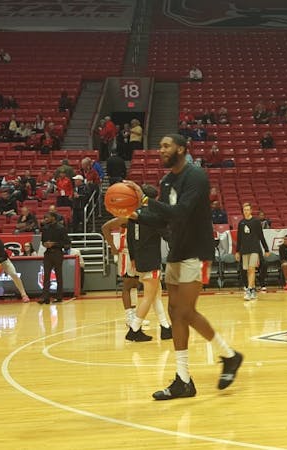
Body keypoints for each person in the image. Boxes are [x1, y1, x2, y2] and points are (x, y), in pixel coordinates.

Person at [125, 133, 242, 400]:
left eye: (166, 146)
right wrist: (134, 214)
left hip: (197, 251)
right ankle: (184, 379)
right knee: (176, 313)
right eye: (160, 146)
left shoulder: (196, 177)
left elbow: (181, 212)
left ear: (181, 149)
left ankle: (229, 355)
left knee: (186, 311)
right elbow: (164, 219)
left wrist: (144, 200)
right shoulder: (166, 181)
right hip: (177, 252)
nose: (161, 150)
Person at [124, 184, 173, 342]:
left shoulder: (134, 214)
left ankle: (165, 327)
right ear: (155, 199)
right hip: (151, 259)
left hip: (139, 259)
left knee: (155, 295)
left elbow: (129, 237)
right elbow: (167, 235)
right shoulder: (153, 215)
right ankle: (134, 329)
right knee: (148, 296)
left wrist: (132, 257)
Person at [102, 216, 142, 326]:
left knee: (136, 285)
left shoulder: (140, 215)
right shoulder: (125, 218)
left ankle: (134, 314)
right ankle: (129, 315)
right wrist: (113, 249)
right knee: (128, 285)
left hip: (138, 254)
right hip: (126, 254)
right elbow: (105, 227)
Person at [235, 203, 269, 301]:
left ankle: (249, 290)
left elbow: (261, 236)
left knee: (251, 269)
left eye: (247, 209)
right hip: (244, 250)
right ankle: (253, 290)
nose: (245, 211)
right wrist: (237, 251)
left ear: (251, 210)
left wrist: (266, 249)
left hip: (254, 249)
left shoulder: (256, 222)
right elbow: (239, 238)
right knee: (247, 271)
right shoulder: (241, 223)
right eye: (244, 210)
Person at [40, 212, 70, 304]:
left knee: (58, 275)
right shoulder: (45, 228)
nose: (45, 219)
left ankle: (59, 296)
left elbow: (67, 244)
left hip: (57, 252)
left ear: (53, 218)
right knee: (46, 276)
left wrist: (54, 244)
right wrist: (45, 244)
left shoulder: (61, 228)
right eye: (45, 217)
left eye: (47, 217)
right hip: (48, 253)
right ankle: (45, 297)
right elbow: (43, 241)